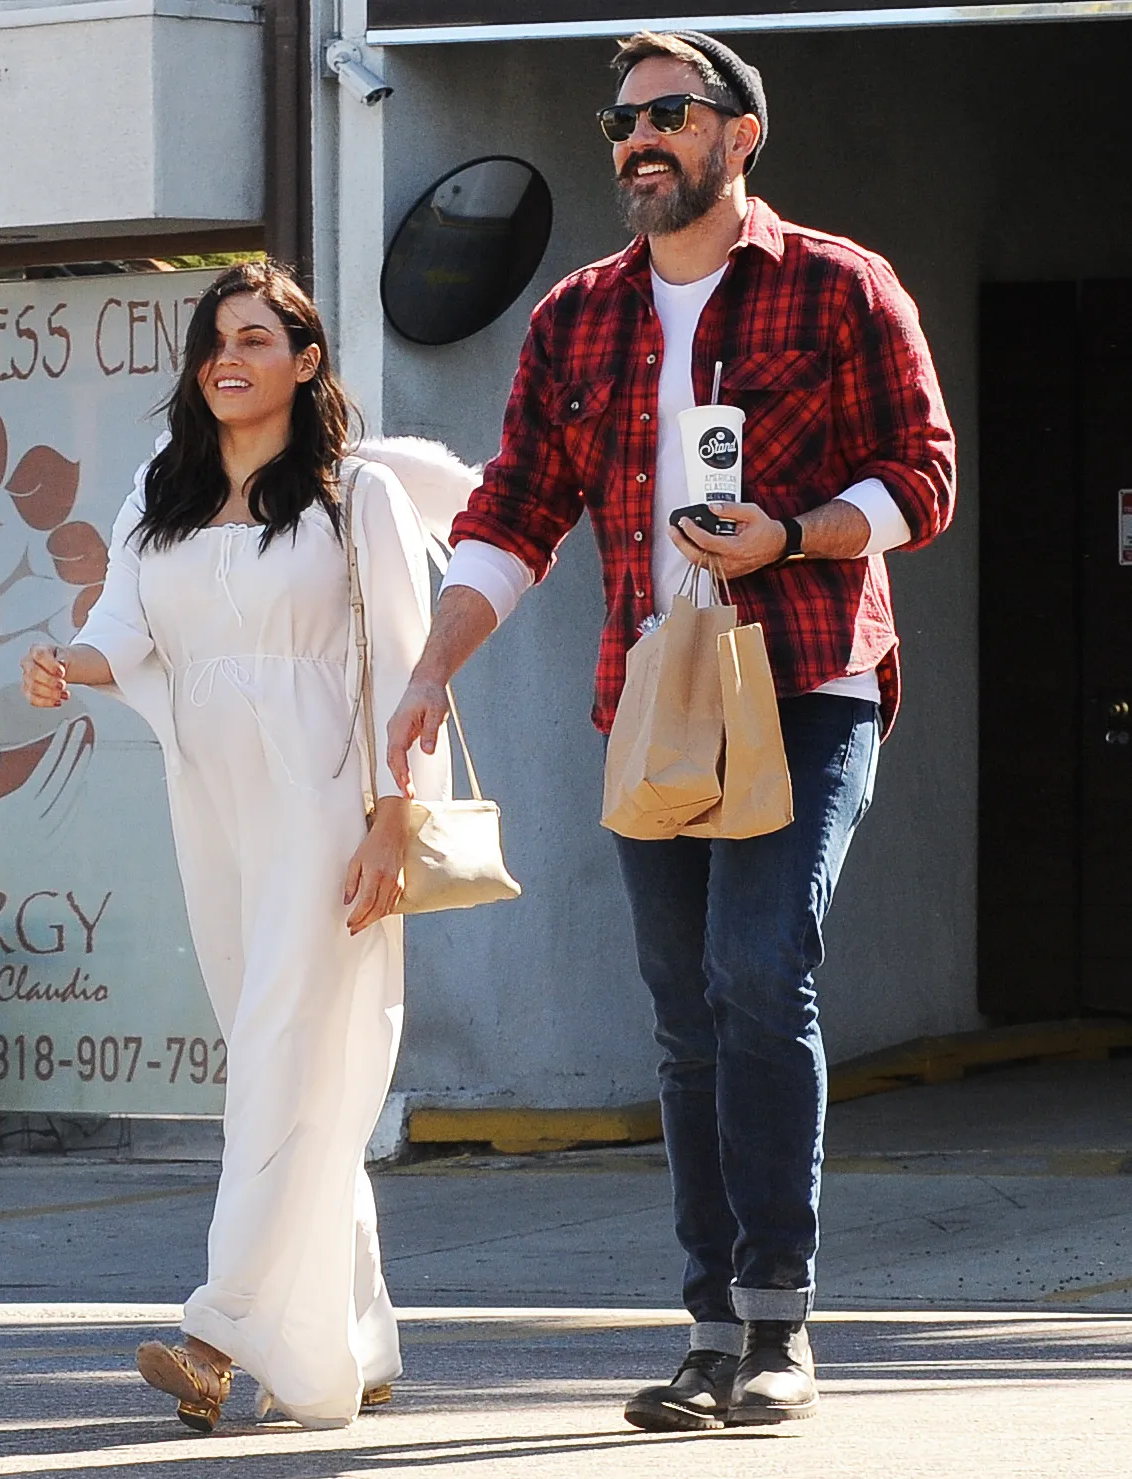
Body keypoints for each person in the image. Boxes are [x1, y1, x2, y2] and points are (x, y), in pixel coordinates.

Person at [387, 30, 954, 1431]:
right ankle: (710, 1331)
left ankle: (778, 1324)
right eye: (621, 122)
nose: (636, 139)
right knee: (687, 1010)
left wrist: (793, 533)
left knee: (758, 966)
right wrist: (429, 670)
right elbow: (514, 511)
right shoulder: (577, 317)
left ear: (737, 136)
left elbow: (922, 476)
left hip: (806, 677)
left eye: (667, 115)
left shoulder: (838, 284)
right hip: (654, 695)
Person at [21, 262, 476, 1432]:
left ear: (306, 361)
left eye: (256, 338)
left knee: (281, 1056)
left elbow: (403, 666)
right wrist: (66, 666)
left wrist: (393, 820)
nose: (229, 359)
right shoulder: (158, 488)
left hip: (330, 809)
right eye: (215, 340)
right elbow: (123, 629)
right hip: (212, 804)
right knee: (288, 1064)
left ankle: (214, 1332)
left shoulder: (355, 495)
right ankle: (352, 1340)